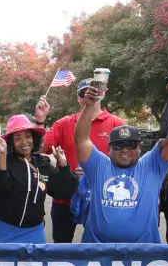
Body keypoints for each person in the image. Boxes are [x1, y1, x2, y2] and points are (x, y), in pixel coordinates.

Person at [74, 87, 168, 243]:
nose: (124, 150)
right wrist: (89, 106)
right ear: (108, 148)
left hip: (143, 256)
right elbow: (81, 139)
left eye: (131, 145)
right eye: (118, 145)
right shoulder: (98, 165)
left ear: (139, 147)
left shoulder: (152, 165)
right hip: (97, 254)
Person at [43, 78, 126, 242]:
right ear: (78, 97)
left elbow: (126, 158)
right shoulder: (63, 123)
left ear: (101, 94)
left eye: (94, 92)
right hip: (65, 197)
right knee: (61, 248)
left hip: (100, 198)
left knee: (99, 247)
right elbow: (38, 149)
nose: (89, 97)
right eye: (83, 93)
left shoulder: (116, 123)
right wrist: (41, 120)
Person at [0, 115, 78, 243]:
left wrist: (64, 166)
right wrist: (2, 154)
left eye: (27, 136)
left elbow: (63, 192)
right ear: (11, 142)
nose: (24, 142)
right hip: (2, 230)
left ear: (34, 138)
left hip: (34, 232)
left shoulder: (42, 163)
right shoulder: (3, 160)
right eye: (18, 138)